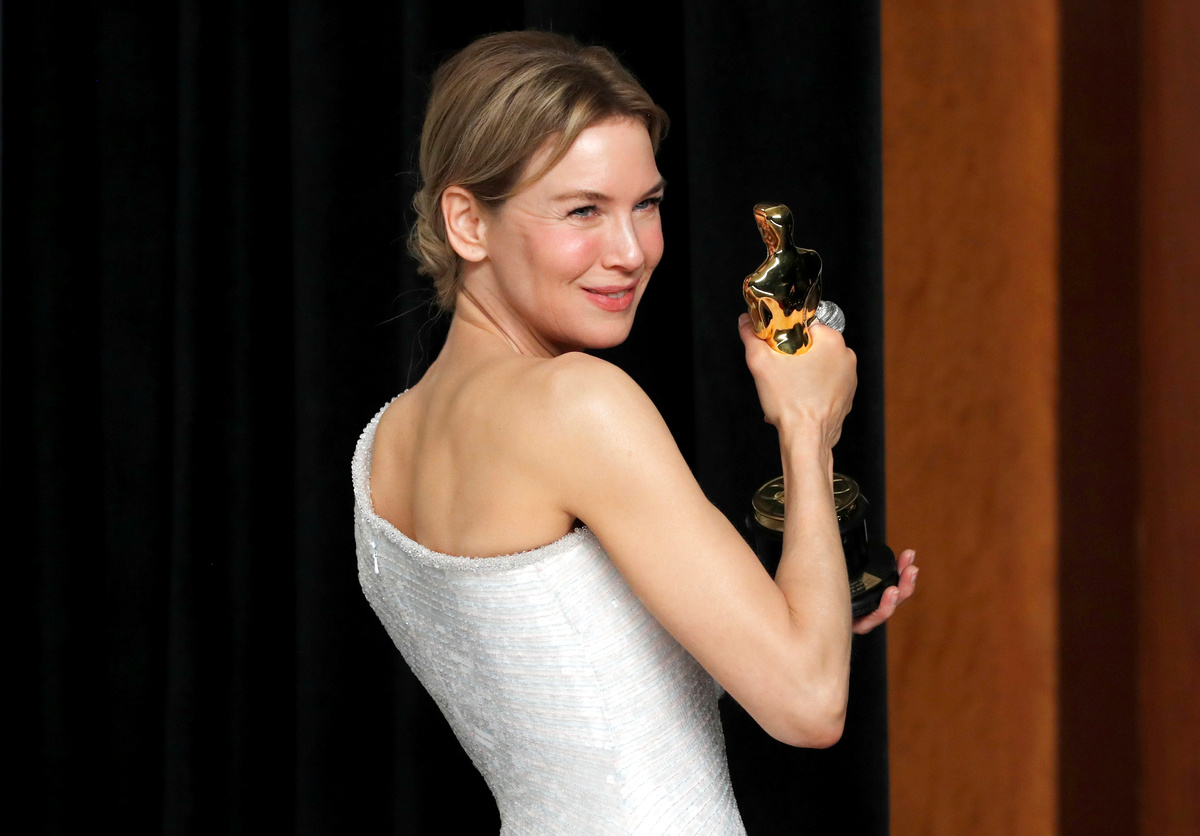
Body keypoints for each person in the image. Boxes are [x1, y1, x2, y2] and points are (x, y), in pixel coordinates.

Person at [353, 30, 917, 834]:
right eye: (584, 210)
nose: (631, 252)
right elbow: (809, 705)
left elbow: (570, 686)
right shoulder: (577, 403)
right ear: (468, 223)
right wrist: (806, 422)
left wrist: (805, 601)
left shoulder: (382, 447)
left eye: (646, 205)